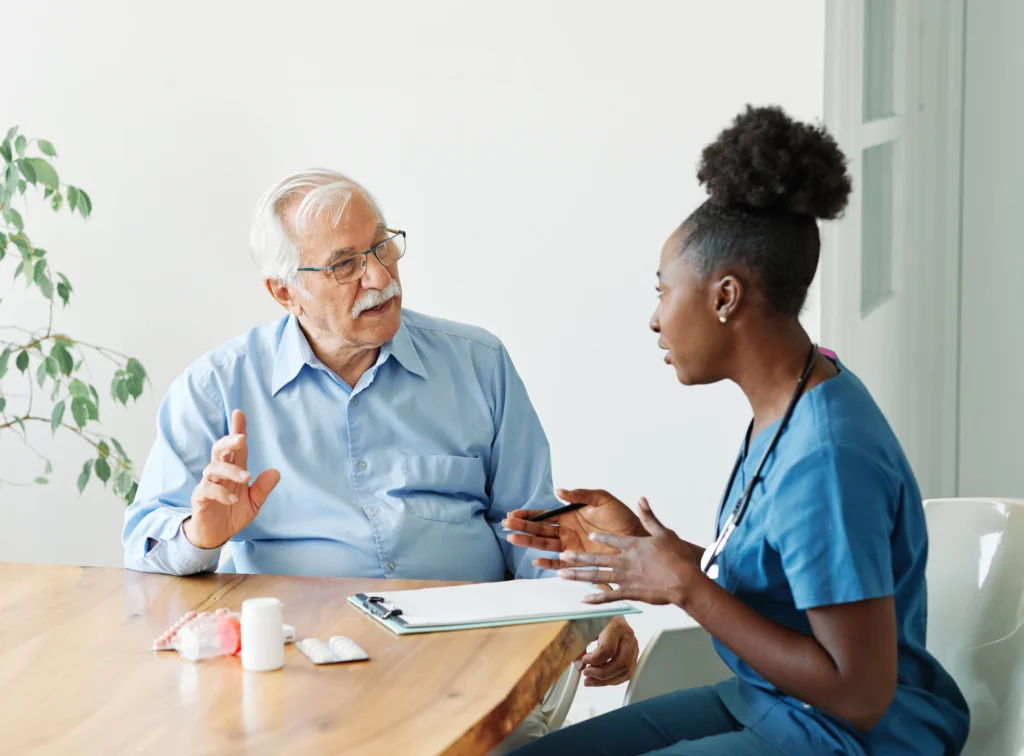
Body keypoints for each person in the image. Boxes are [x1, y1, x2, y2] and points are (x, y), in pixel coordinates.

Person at [503, 106, 970, 755]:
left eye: (663, 291)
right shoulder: (796, 393)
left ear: (726, 297)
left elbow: (862, 694)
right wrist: (644, 551)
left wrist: (685, 588)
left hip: (852, 737)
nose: (655, 320)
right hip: (774, 704)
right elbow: (778, 584)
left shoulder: (828, 457)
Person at [121, 169, 637, 749]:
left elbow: (535, 529)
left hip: (470, 672)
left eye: (382, 246)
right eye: (345, 264)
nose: (381, 276)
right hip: (303, 683)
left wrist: (589, 606)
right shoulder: (215, 388)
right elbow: (145, 545)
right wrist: (202, 535)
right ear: (284, 291)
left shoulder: (478, 364)